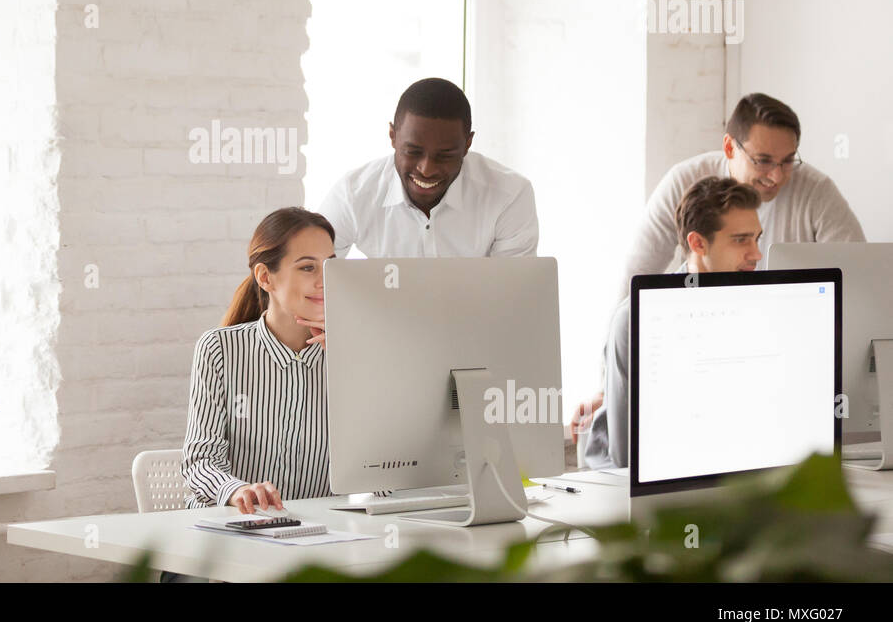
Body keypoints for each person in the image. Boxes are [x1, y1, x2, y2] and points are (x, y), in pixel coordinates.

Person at [569, 92, 864, 444]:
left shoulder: (816, 192)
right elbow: (634, 281)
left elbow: (861, 280)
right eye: (763, 161)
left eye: (788, 161)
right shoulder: (683, 182)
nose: (776, 176)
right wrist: (613, 387)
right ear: (729, 148)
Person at [165, 208, 335, 582]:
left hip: (315, 545)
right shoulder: (219, 350)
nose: (325, 280)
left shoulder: (355, 354)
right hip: (220, 544)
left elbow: (382, 472)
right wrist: (237, 489)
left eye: (331, 265)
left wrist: (354, 368)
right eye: (308, 267)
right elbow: (199, 461)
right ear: (265, 277)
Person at [581, 176, 764, 469]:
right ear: (698, 243)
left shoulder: (759, 310)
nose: (756, 254)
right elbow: (627, 455)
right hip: (633, 484)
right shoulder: (635, 320)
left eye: (757, 239)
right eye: (741, 240)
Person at [317, 78, 538, 259]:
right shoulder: (353, 193)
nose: (427, 169)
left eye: (445, 155)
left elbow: (513, 295)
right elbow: (312, 273)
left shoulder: (510, 195)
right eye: (413, 152)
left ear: (467, 144)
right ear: (393, 137)